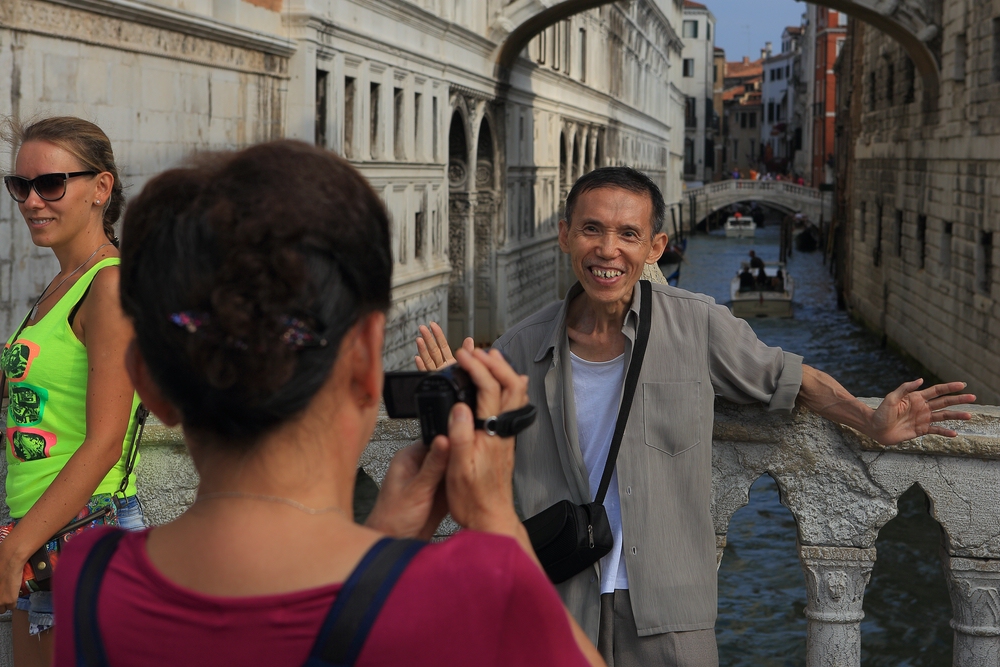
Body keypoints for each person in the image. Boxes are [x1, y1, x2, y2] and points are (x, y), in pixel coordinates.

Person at [50, 140, 603, 667]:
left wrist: (387, 534)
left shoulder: (89, 576)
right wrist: (495, 520)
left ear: (148, 385)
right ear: (366, 363)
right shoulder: (458, 590)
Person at [415, 166, 975, 667]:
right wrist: (447, 402)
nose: (608, 250)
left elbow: (791, 379)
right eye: (591, 230)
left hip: (671, 612)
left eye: (628, 235)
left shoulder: (697, 325)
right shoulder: (520, 346)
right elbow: (476, 458)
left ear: (655, 246)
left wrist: (868, 419)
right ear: (565, 235)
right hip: (557, 600)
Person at [0, 117, 144, 667]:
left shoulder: (107, 285)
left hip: (80, 531)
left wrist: (16, 546)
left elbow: (105, 440)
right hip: (42, 529)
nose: (32, 201)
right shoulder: (62, 283)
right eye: (20, 186)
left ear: (100, 189)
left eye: (50, 184)